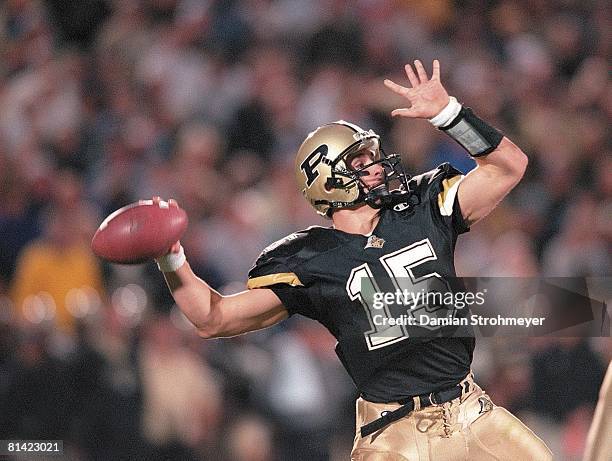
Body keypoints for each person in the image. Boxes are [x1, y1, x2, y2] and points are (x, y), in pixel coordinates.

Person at [153, 60, 553, 460]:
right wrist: (173, 260)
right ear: (327, 180)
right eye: (361, 162)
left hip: (470, 411)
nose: (377, 167)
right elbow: (213, 317)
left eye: (374, 157)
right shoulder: (311, 257)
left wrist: (449, 113)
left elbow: (509, 166)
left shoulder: (421, 205)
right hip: (394, 434)